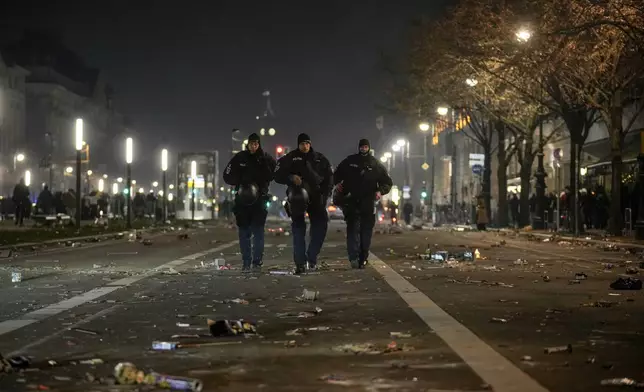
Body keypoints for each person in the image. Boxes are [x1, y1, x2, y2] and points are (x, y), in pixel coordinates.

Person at [275, 133, 333, 274]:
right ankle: (300, 263)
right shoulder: (290, 158)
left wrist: (326, 195)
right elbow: (277, 174)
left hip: (316, 198)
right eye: (302, 144)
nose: (305, 146)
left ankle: (311, 258)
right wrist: (290, 177)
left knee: (320, 226)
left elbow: (330, 178)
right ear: (298, 144)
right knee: (298, 230)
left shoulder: (319, 159)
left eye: (307, 143)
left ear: (310, 143)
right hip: (298, 198)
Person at [333, 138, 392, 269]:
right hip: (351, 202)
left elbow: (387, 182)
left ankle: (363, 257)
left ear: (369, 148)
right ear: (359, 148)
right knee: (352, 230)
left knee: (366, 232)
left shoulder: (375, 164)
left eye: (366, 147)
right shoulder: (349, 162)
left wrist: (380, 191)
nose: (364, 149)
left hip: (368, 202)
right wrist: (337, 185)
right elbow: (336, 175)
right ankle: (353, 257)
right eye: (362, 147)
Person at [224, 132, 277, 271]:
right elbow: (227, 175)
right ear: (247, 144)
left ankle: (257, 262)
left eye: (256, 143)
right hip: (242, 201)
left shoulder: (265, 158)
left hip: (259, 200)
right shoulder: (240, 157)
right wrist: (239, 182)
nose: (253, 146)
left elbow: (276, 173)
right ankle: (246, 262)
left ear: (258, 144)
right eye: (251, 143)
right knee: (244, 232)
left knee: (258, 232)